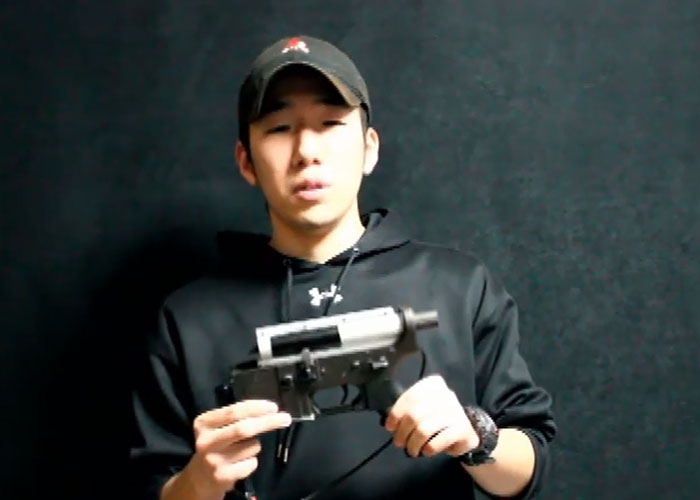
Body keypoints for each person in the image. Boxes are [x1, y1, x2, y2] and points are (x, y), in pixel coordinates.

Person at [129, 35, 556, 500]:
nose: (306, 150)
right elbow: (154, 486)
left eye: (331, 123)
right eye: (279, 128)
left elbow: (529, 464)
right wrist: (199, 481)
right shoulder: (189, 318)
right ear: (246, 161)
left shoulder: (458, 286)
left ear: (369, 148)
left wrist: (476, 437)